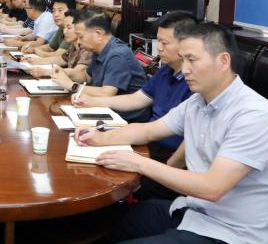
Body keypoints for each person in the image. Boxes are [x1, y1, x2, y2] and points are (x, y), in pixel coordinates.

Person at [79, 22, 268, 244]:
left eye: (192, 59)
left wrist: (140, 163)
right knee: (114, 221)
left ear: (223, 61)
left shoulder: (253, 116)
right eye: (184, 59)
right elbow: (149, 130)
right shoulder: (198, 102)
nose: (185, 69)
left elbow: (212, 188)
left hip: (237, 243)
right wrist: (98, 137)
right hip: (198, 214)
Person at [73, 11, 197, 162]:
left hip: (167, 153)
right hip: (148, 141)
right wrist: (93, 102)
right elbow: (136, 99)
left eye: (164, 43)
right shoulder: (166, 70)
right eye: (158, 41)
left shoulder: (196, 83)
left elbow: (189, 145)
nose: (159, 48)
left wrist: (164, 168)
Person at [52, 10, 148, 119]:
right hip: (105, 110)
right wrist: (66, 74)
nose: (78, 42)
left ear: (98, 34)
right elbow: (87, 77)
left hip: (127, 119)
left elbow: (106, 93)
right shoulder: (98, 49)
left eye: (80, 37)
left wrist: (71, 85)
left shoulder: (118, 55)